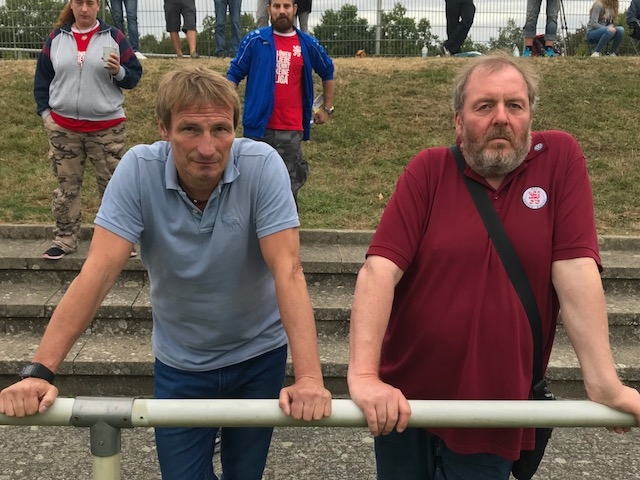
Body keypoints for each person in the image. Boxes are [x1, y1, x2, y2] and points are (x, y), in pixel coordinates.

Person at [0, 66, 331, 479]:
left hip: (258, 354)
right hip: (182, 362)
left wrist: (309, 377)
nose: (207, 147)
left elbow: (288, 270)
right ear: (164, 128)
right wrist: (40, 371)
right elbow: (98, 271)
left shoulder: (262, 165)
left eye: (220, 130)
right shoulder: (139, 170)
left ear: (235, 129)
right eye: (190, 129)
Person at [347, 51, 640, 480]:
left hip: (496, 407)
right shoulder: (429, 170)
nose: (501, 118)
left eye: (514, 105)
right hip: (405, 403)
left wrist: (604, 383)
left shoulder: (559, 159)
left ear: (530, 117)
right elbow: (379, 271)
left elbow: (576, 269)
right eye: (485, 106)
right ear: (458, 121)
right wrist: (364, 376)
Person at [35, 0, 142, 260]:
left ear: (98, 6)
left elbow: (134, 76)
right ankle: (65, 238)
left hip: (107, 130)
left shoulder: (114, 37)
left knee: (113, 187)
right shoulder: (56, 39)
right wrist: (46, 114)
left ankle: (116, 240)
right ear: (71, 5)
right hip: (64, 130)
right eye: (79, 2)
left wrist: (118, 71)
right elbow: (42, 80)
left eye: (90, 3)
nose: (84, 9)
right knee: (66, 189)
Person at [227, 0, 335, 206]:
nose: (282, 11)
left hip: (291, 131)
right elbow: (233, 75)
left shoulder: (307, 44)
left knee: (287, 190)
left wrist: (327, 108)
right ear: (269, 9)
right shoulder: (255, 40)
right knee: (252, 189)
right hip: (257, 129)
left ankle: (287, 226)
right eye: (277, 6)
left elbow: (328, 70)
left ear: (295, 9)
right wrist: (224, 108)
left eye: (286, 6)